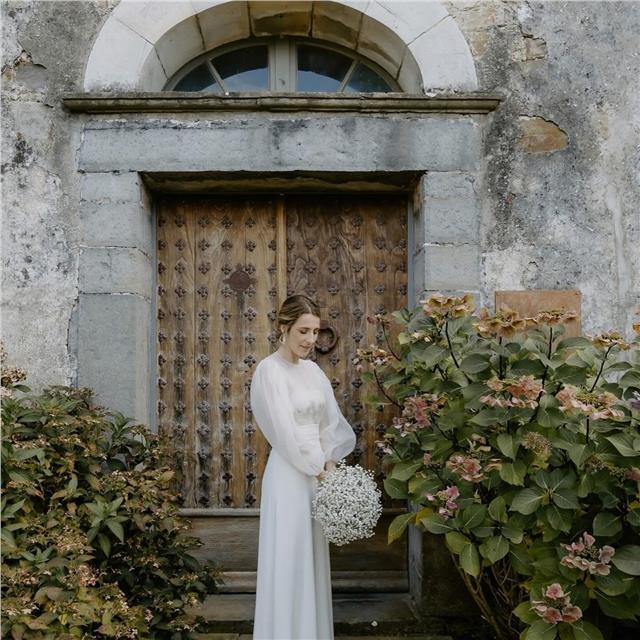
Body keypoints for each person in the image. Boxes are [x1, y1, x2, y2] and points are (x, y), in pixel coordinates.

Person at [250, 294, 356, 640]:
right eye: (303, 331)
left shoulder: (312, 371)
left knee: (310, 557)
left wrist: (329, 460)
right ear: (284, 328)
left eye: (315, 331)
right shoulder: (269, 371)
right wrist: (315, 466)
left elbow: (331, 422)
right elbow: (282, 431)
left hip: (319, 475)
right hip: (290, 475)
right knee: (289, 556)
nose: (311, 340)